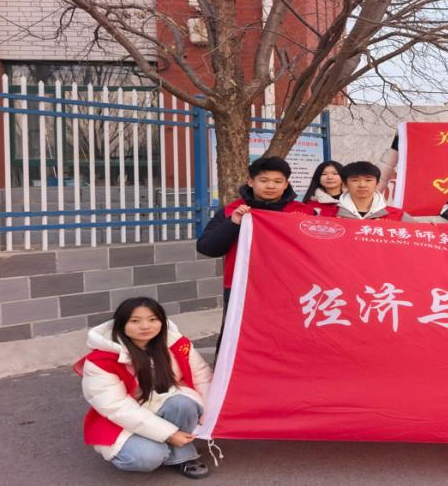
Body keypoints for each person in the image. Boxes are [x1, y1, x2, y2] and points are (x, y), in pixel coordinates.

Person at [75, 297, 214, 479]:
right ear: (121, 324)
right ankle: (158, 446)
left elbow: (201, 376)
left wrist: (209, 416)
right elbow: (117, 407)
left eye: (152, 319)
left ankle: (183, 457)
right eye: (135, 321)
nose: (145, 326)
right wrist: (169, 435)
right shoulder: (100, 361)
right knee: (147, 458)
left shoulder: (176, 344)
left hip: (159, 404)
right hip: (122, 418)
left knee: (184, 404)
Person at [196, 156, 313, 351]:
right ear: (251, 182)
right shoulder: (232, 211)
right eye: (264, 180)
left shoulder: (302, 213)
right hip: (241, 287)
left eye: (278, 181)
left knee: (288, 341)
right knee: (236, 342)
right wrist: (233, 223)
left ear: (286, 184)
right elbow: (207, 248)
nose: (271, 186)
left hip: (291, 288)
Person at [319, 161, 415, 221]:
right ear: (344, 184)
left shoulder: (399, 216)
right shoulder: (326, 215)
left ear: (377, 183)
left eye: (368, 180)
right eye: (355, 180)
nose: (362, 185)